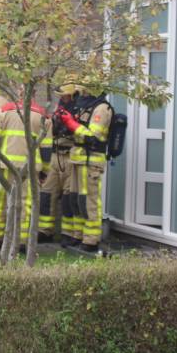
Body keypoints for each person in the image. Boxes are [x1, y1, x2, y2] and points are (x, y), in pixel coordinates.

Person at [56, 87, 113, 252]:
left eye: (83, 90)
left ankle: (90, 240)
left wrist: (72, 123)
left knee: (89, 201)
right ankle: (78, 235)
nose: (80, 93)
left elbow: (92, 137)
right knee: (76, 200)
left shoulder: (102, 108)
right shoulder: (85, 106)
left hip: (91, 161)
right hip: (77, 158)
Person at [0, 98, 46, 246]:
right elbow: (47, 147)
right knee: (25, 203)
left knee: (1, 202)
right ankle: (22, 241)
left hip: (6, 165)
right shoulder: (42, 115)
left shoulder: (5, 111)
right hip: (30, 168)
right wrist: (46, 171)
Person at [37, 84, 79, 243]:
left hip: (70, 155)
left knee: (68, 197)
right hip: (55, 156)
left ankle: (68, 233)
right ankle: (45, 231)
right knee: (47, 193)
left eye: (65, 95)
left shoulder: (78, 109)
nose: (62, 97)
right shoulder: (59, 107)